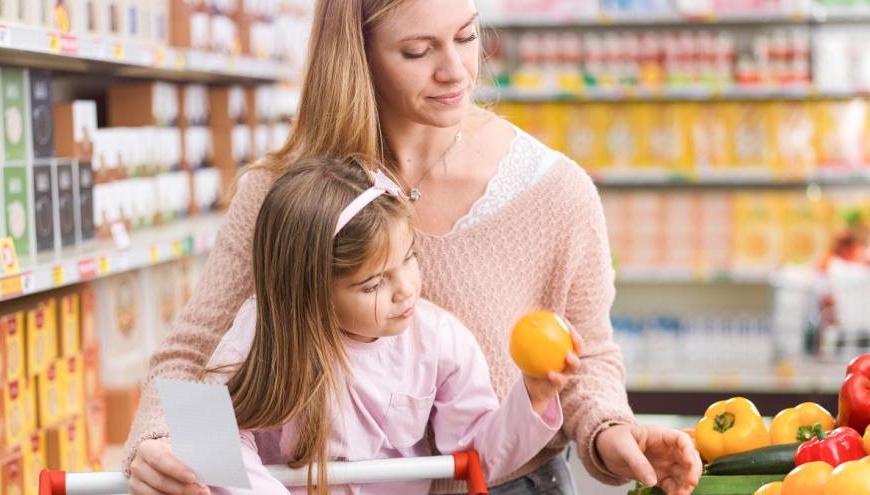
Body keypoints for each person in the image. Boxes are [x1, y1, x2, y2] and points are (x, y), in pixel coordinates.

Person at [124, 1, 702, 494]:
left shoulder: (554, 191)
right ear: (359, 53)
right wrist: (166, 444)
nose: (456, 71)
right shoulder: (287, 193)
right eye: (418, 51)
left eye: (467, 36)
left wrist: (609, 428)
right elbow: (193, 359)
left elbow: (586, 356)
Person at [200, 156, 578, 494]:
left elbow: (478, 453)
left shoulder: (438, 339)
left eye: (409, 258)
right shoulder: (259, 330)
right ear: (309, 291)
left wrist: (534, 396)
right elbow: (203, 436)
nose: (406, 290)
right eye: (374, 284)